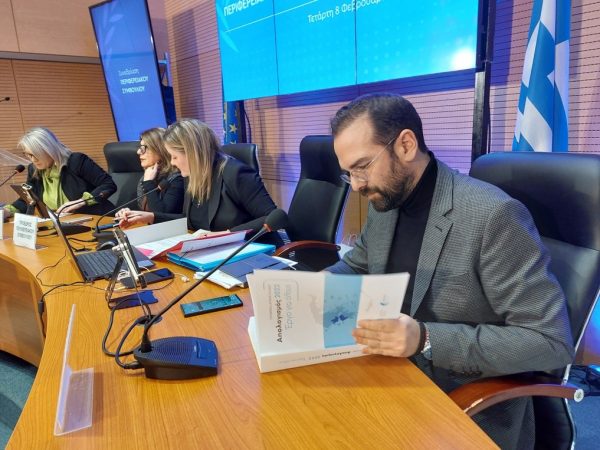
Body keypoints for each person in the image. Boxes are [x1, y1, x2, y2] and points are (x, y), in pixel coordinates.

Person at [326, 93, 574, 449]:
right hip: (387, 377)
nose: (356, 185)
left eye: (362, 167)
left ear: (406, 145)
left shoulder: (493, 215)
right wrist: (316, 285)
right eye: (348, 172)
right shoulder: (387, 201)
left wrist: (425, 338)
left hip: (463, 406)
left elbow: (551, 341)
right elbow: (357, 264)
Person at [116, 118, 281, 244]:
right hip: (215, 252)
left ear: (192, 153)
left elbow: (272, 217)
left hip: (252, 253)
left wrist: (224, 234)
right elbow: (189, 220)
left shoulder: (235, 173)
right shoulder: (192, 176)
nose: (172, 162)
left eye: (174, 156)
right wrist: (149, 216)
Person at [2, 127, 116, 220]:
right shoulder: (34, 169)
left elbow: (108, 184)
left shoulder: (76, 161)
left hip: (97, 219)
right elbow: (28, 199)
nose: (32, 160)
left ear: (48, 149)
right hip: (63, 223)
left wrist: (81, 201)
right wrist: (6, 211)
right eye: (28, 155)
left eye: (35, 154)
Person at [116, 127, 184, 216]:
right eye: (140, 147)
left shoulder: (177, 178)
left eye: (144, 147)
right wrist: (130, 213)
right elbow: (146, 212)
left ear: (160, 149)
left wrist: (148, 183)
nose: (138, 152)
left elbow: (162, 215)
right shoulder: (146, 177)